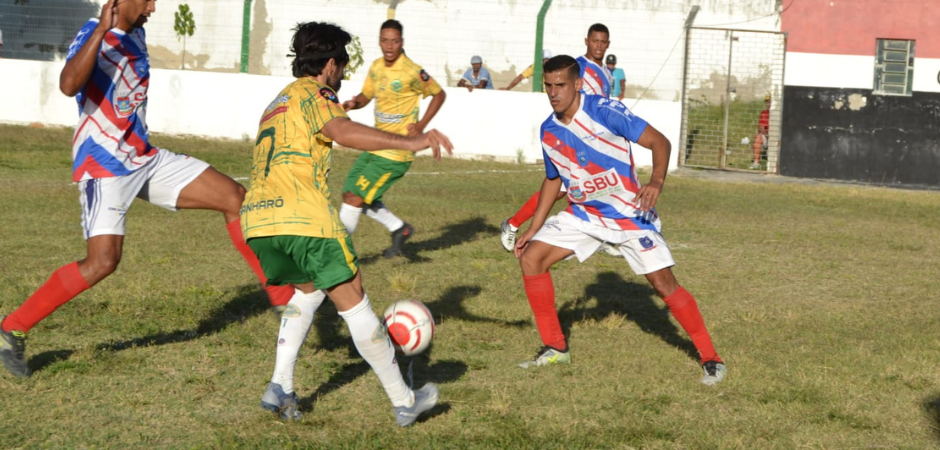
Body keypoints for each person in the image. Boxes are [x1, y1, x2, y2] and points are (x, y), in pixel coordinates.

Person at [0, 0, 293, 379]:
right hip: (104, 166)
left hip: (144, 157)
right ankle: (13, 327)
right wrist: (103, 31)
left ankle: (285, 304)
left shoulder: (138, 32)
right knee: (103, 262)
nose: (154, 7)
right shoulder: (94, 33)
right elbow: (68, 84)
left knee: (235, 198)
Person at [244, 22, 451, 426]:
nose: (343, 74)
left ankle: (280, 385)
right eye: (342, 65)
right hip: (303, 218)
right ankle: (403, 400)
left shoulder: (277, 101)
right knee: (354, 300)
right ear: (330, 63)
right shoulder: (317, 92)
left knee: (308, 291)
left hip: (259, 221)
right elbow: (341, 130)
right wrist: (411, 141)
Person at [512, 55, 727, 385]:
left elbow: (659, 142)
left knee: (663, 283)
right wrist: (533, 228)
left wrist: (655, 182)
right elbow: (553, 179)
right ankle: (555, 348)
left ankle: (711, 359)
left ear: (578, 84)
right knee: (531, 259)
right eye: (548, 86)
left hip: (628, 215)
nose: (554, 93)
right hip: (583, 215)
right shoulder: (548, 130)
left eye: (561, 85)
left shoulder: (603, 111)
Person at [500, 24, 614, 253]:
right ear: (587, 41)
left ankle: (604, 235)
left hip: (593, 139)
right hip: (573, 136)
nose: (599, 46)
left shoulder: (606, 73)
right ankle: (513, 224)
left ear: (608, 44)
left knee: (584, 185)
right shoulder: (579, 66)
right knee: (562, 186)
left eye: (603, 42)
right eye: (595, 41)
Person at [341, 19, 446, 258]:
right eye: (385, 40)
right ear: (379, 41)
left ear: (402, 42)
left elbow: (439, 94)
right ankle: (400, 228)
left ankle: (337, 252)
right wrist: (354, 103)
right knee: (350, 192)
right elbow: (367, 95)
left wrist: (421, 125)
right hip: (375, 145)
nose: (389, 46)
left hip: (397, 152)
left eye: (395, 41)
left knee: (356, 197)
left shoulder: (411, 70)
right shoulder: (377, 66)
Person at [751, 95, 771, 169]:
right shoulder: (764, 113)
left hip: (774, 136)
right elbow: (760, 128)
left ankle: (771, 163)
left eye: (770, 102)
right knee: (758, 138)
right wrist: (766, 134)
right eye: (767, 102)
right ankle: (757, 162)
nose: (768, 104)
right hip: (766, 135)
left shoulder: (778, 113)